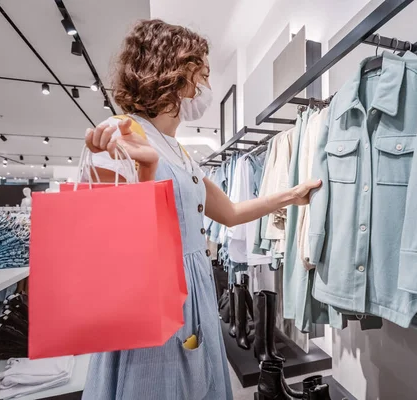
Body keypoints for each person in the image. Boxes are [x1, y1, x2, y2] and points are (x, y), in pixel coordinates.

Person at [80, 19, 320, 400]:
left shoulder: (180, 151)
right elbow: (113, 247)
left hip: (194, 288)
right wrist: (142, 172)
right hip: (157, 294)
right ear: (174, 71)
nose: (204, 88)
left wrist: (290, 196)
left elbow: (230, 212)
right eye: (201, 75)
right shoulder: (123, 133)